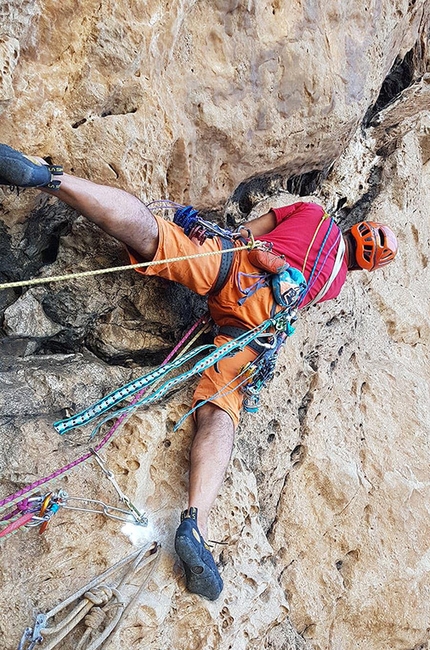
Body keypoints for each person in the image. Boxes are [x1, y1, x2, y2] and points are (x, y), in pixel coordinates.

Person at [0, 144, 398, 600]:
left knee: (156, 238)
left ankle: (51, 179)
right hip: (250, 325)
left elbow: (246, 231)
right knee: (221, 409)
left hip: (234, 268)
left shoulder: (312, 212)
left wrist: (210, 238)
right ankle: (196, 523)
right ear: (365, 263)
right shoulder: (335, 283)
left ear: (357, 227)